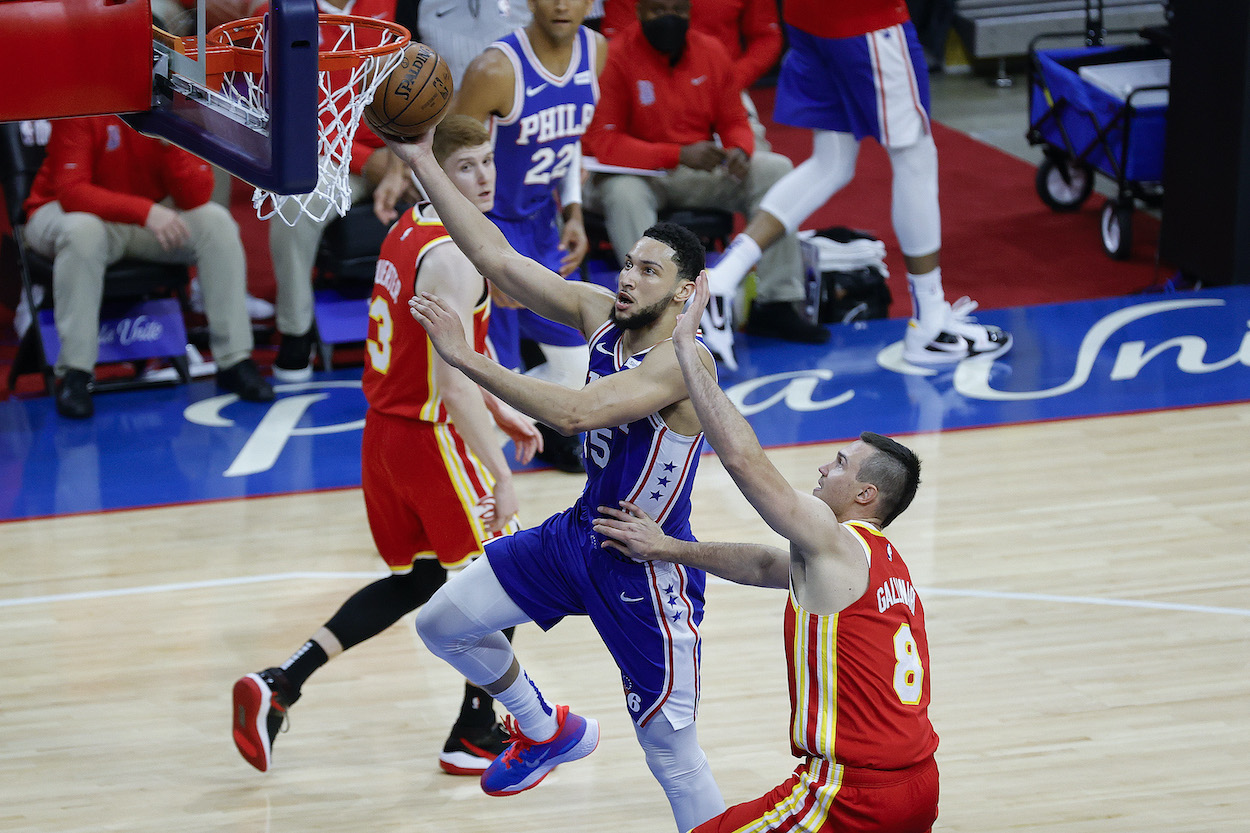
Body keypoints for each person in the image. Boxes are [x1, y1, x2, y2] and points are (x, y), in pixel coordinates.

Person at [385, 128, 728, 831]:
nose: (629, 278)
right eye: (629, 263)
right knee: (442, 623)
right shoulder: (601, 313)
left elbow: (576, 412)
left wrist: (469, 360)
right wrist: (419, 159)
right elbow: (496, 257)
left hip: (644, 564)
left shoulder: (681, 364)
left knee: (672, 753)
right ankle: (544, 729)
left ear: (686, 291)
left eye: (650, 272)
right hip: (578, 536)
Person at [230, 116, 544, 776]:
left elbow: (450, 349)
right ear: (435, 169)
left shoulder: (407, 230)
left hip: (385, 437)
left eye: (488, 161)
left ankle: (281, 681)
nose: (484, 175)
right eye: (467, 166)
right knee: (508, 568)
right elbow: (453, 386)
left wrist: (503, 406)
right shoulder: (454, 256)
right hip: (431, 433)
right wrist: (500, 472)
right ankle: (475, 731)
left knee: (423, 579)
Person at [591, 270, 940, 833]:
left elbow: (744, 464)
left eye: (840, 465)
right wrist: (671, 547)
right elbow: (761, 565)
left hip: (851, 791)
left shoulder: (834, 538)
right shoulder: (876, 564)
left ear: (865, 495)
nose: (825, 469)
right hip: (918, 784)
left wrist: (687, 352)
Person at [704, 0, 1012, 367]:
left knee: (832, 163)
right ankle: (930, 323)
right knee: (915, 156)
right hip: (864, 16)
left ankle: (723, 277)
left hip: (806, 17)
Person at [581, 0, 827, 370]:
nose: (669, 18)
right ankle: (648, 312)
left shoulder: (711, 51)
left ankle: (777, 301)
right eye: (658, 9)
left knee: (775, 170)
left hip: (695, 168)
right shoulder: (615, 56)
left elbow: (732, 119)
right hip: (636, 173)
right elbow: (602, 141)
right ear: (640, 12)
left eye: (679, 9)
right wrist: (676, 154)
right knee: (624, 193)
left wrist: (739, 149)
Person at [22, 115, 273, 419]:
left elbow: (196, 196)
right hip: (62, 213)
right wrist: (146, 212)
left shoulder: (170, 109)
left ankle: (234, 360)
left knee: (216, 224)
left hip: (139, 220)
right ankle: (75, 372)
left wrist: (174, 145)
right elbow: (72, 192)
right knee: (83, 232)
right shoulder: (86, 104)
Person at [446, 0, 607, 471]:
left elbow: (570, 137)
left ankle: (542, 432)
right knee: (496, 383)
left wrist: (573, 211)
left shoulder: (596, 51)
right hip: (490, 228)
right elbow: (444, 163)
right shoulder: (495, 70)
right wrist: (483, 255)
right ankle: (473, 496)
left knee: (578, 370)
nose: (561, 4)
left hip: (543, 225)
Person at [266, 0, 420, 382]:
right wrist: (370, 163)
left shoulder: (399, 5)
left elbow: (423, 86)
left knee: (464, 182)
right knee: (293, 206)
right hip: (333, 156)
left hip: (404, 147)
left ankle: (468, 320)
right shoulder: (289, 15)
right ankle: (296, 333)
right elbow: (294, 121)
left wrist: (399, 162)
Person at [598, 0, 782, 150]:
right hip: (642, 92)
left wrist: (728, 81)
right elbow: (616, 42)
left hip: (724, 89)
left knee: (755, 156)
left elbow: (766, 37)